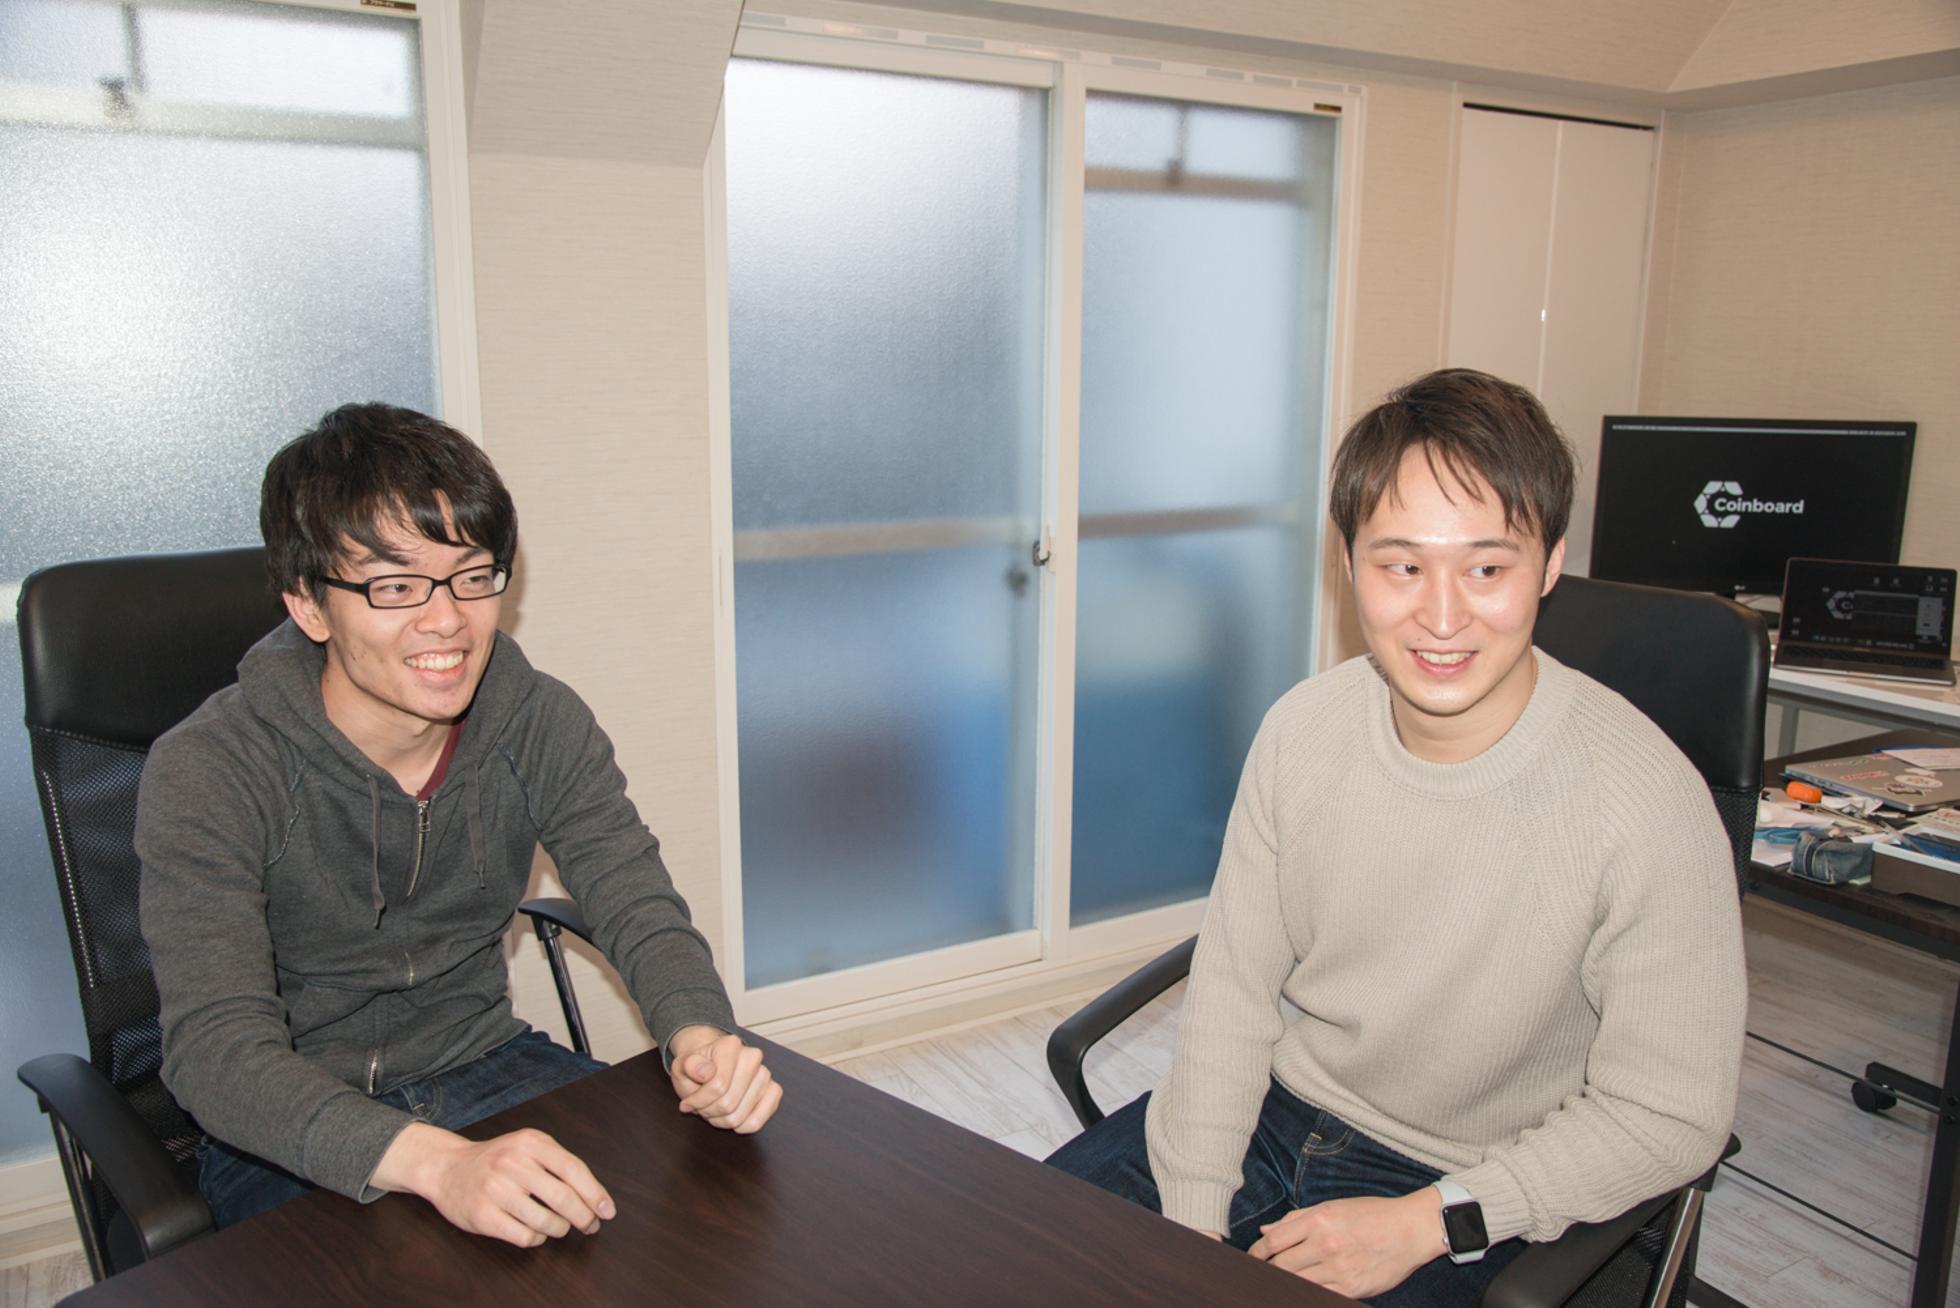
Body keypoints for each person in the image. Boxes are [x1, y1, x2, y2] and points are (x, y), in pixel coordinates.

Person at [1047, 369, 1747, 1304]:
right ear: (1348, 565)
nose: (1442, 617)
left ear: (1549, 566)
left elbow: (1671, 1115)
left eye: (1487, 569)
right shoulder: (1303, 731)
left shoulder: (1646, 801)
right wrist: (1194, 1219)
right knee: (1002, 1257)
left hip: (1474, 1179)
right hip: (1278, 1112)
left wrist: (1432, 1220)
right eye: (1402, 566)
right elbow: (1235, 993)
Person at [137, 403, 781, 1248]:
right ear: (309, 605)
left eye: (472, 576)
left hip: (489, 1065)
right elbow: (216, 1052)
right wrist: (438, 1164)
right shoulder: (213, 767)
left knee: (697, 1241)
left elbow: (634, 898)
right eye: (395, 587)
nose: (447, 620)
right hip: (290, 1132)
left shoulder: (536, 719)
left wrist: (698, 1034)